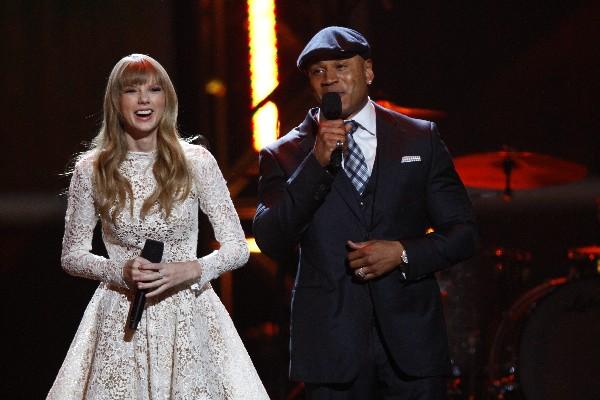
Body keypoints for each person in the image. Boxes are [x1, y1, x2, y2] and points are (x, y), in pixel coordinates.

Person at [253, 27, 477, 399]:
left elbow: (464, 233)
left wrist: (403, 252)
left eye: (341, 66)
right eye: (318, 71)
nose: (330, 79)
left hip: (412, 346)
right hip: (331, 348)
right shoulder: (283, 154)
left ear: (368, 71)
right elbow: (271, 238)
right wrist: (316, 163)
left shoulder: (419, 138)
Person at [47, 54, 269, 399]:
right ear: (115, 101)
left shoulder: (195, 161)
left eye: (154, 89)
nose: (144, 99)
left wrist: (192, 269)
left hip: (189, 315)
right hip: (121, 319)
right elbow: (72, 255)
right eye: (132, 91)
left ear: (167, 99)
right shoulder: (92, 169)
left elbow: (237, 248)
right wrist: (121, 270)